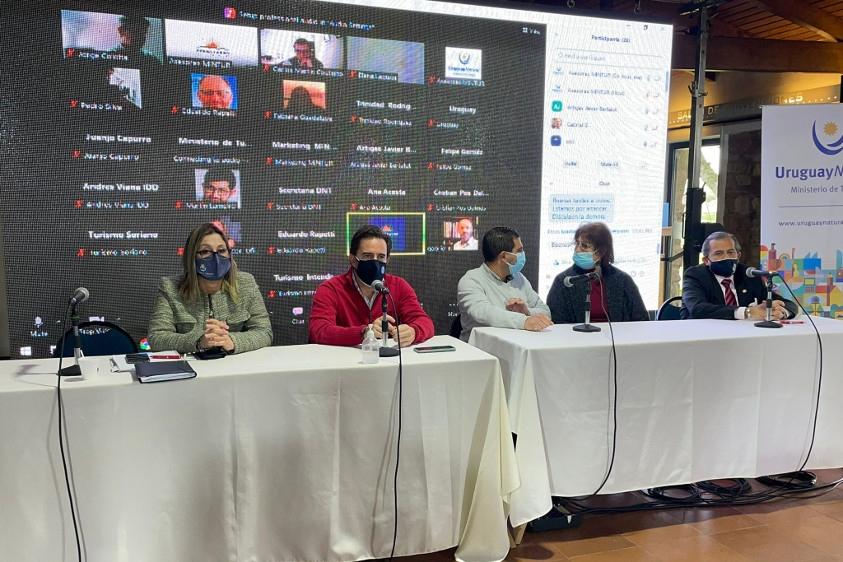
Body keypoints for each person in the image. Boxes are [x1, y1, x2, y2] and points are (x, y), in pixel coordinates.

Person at [148, 223, 272, 353]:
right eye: (205, 251)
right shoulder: (170, 287)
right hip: (192, 367)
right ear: (192, 257)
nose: (215, 258)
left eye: (221, 250)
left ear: (229, 254)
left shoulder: (246, 282)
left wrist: (230, 341)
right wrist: (199, 342)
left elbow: (264, 332)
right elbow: (157, 339)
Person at [309, 225, 434, 347]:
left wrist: (413, 332)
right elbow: (318, 330)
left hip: (387, 363)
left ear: (387, 260)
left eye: (381, 257)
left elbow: (425, 322)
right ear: (353, 259)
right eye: (367, 256)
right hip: (344, 363)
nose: (375, 262)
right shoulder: (331, 289)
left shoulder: (399, 286)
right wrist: (365, 332)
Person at [457, 226, 552, 341]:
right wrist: (523, 320)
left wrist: (527, 312)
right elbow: (483, 313)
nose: (523, 254)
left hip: (520, 346)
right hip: (481, 351)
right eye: (519, 251)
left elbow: (545, 312)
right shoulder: (471, 280)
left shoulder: (519, 278)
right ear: (504, 256)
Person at [680, 231, 797, 320]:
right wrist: (747, 312)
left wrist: (780, 312)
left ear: (738, 255)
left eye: (731, 252)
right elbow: (697, 309)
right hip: (702, 338)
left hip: (744, 338)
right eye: (718, 253)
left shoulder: (749, 274)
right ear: (706, 260)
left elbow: (789, 305)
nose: (726, 257)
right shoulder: (695, 276)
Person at [547, 222, 648, 324]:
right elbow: (557, 321)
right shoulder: (564, 281)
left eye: (584, 246)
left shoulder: (623, 280)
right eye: (577, 243)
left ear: (601, 252)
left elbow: (641, 319)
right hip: (576, 338)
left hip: (617, 338)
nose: (577, 249)